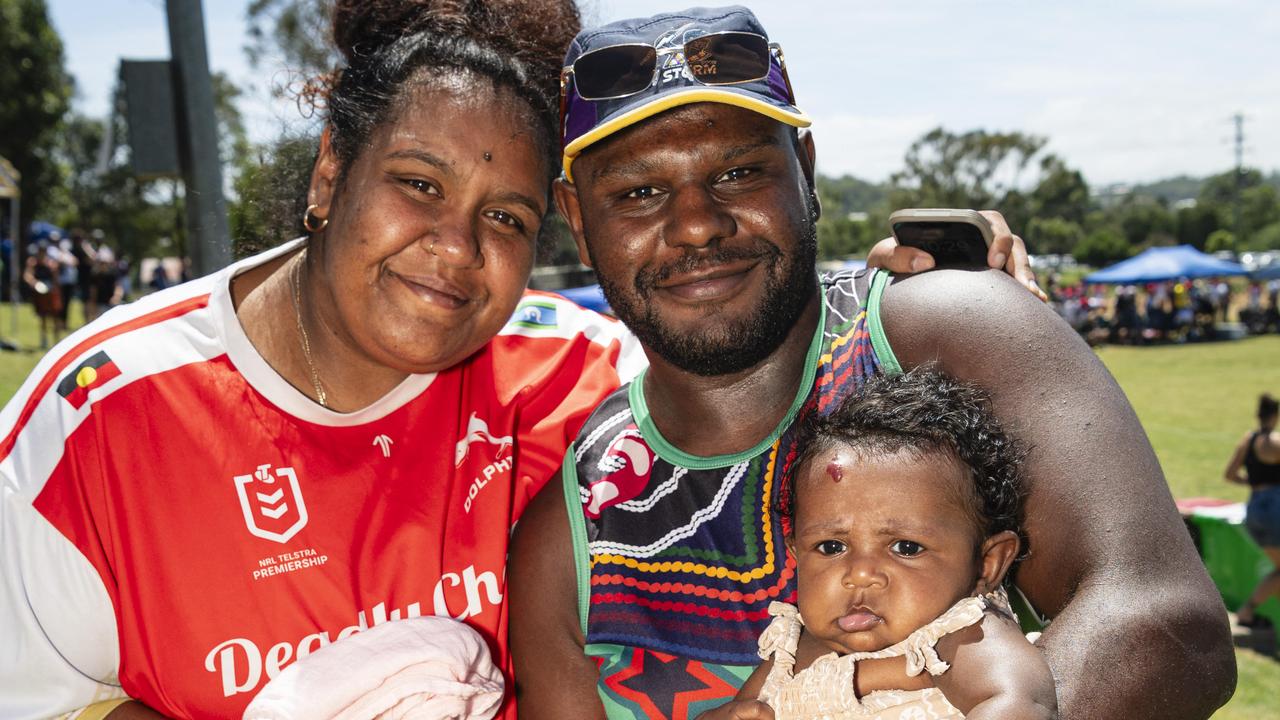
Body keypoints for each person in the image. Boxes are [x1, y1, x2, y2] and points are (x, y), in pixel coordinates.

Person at [509, 6, 1233, 720]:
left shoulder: (945, 329)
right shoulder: (570, 533)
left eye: (738, 172)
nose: (697, 222)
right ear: (576, 218)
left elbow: (1164, 623)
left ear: (805, 169)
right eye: (638, 192)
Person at [0, 2, 642, 718]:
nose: (457, 247)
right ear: (331, 174)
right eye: (419, 184)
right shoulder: (95, 419)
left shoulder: (586, 381)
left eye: (506, 218)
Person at [724, 369, 1055, 720]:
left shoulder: (960, 637)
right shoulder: (790, 650)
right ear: (796, 554)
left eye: (906, 548)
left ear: (987, 564)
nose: (860, 574)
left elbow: (1022, 703)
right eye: (832, 547)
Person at [1224, 393, 1280, 630]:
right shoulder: (1276, 442)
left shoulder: (1247, 440)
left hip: (1254, 508)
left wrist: (1255, 483)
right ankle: (1247, 611)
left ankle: (1249, 611)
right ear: (1275, 416)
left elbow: (1229, 474)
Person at [22, 241, 63, 348]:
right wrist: (35, 283)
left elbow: (56, 279)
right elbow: (27, 275)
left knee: (55, 317)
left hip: (51, 292)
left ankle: (57, 341)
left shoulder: (51, 263)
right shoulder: (33, 262)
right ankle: (43, 340)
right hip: (40, 293)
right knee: (43, 317)